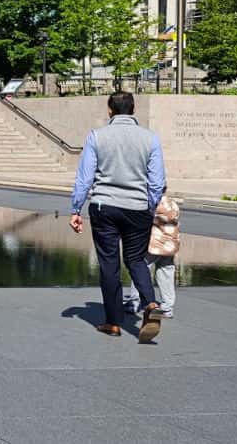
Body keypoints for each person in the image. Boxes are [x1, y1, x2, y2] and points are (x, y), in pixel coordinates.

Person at [69, 91, 166, 342]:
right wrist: (150, 206)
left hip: (105, 207)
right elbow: (157, 182)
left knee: (109, 263)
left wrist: (75, 209)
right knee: (135, 259)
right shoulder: (150, 138)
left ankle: (112, 323)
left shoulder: (97, 137)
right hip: (137, 208)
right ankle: (151, 303)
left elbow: (85, 178)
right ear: (133, 110)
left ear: (109, 110)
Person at [124, 188, 180, 319]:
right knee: (166, 273)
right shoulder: (172, 204)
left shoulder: (152, 204)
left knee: (140, 270)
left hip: (153, 245)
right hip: (169, 246)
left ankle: (135, 302)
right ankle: (167, 307)